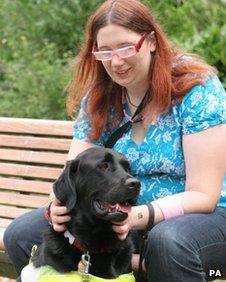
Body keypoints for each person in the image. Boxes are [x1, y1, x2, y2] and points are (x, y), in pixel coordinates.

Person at [4, 0, 226, 281]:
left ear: (151, 41)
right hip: (119, 213)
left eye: (125, 47)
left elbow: (204, 195)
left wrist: (138, 217)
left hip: (205, 218)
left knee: (168, 242)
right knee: (22, 234)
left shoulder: (194, 88)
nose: (116, 61)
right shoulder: (99, 97)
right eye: (104, 51)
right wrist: (55, 208)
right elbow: (74, 170)